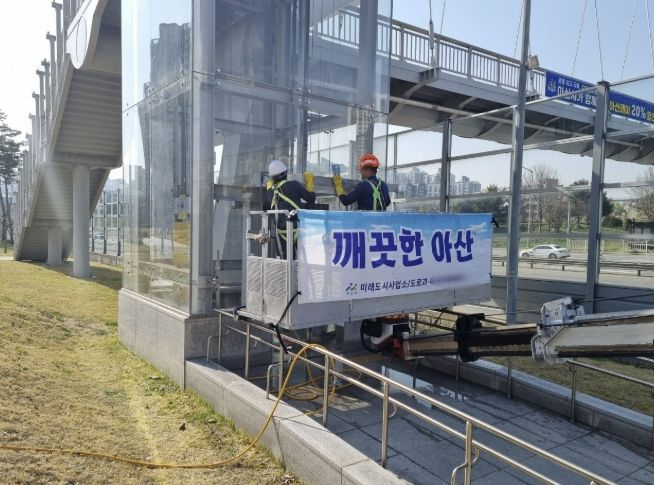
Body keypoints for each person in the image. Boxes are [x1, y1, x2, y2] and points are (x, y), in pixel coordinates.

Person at [263, 160, 315, 258]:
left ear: (272, 178)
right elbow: (311, 199)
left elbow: (265, 209)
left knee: (286, 263)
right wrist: (310, 185)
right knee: (304, 262)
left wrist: (269, 191)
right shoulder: (294, 185)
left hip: (282, 235)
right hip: (299, 231)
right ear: (285, 173)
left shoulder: (270, 193)